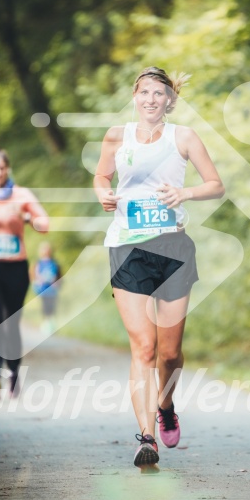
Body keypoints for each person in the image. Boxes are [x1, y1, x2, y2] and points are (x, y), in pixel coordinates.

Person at [94, 66, 225, 470]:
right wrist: (104, 194)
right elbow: (102, 174)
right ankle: (146, 437)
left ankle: (166, 405)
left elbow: (215, 184)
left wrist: (184, 192)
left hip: (173, 248)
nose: (151, 99)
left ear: (170, 99)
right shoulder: (118, 135)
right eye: (144, 92)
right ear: (134, 96)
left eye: (159, 93)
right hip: (127, 246)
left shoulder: (182, 136)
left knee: (170, 352)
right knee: (145, 347)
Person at [0, 146, 49, 400]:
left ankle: (13, 371)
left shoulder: (21, 195)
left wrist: (32, 220)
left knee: (11, 321)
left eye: (2, 168)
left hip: (15, 267)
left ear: (8, 169)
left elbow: (44, 221)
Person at [31, 241, 62, 334]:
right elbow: (33, 275)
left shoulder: (54, 263)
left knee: (52, 307)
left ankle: (51, 325)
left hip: (52, 290)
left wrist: (57, 284)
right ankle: (45, 324)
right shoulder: (38, 263)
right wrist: (36, 283)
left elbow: (59, 275)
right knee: (44, 307)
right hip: (42, 289)